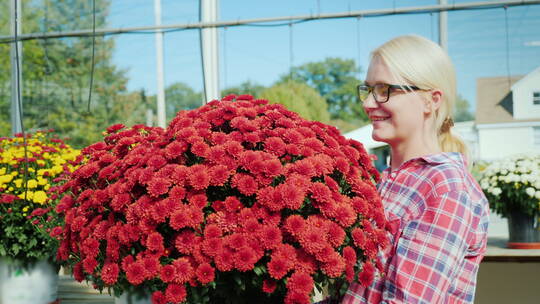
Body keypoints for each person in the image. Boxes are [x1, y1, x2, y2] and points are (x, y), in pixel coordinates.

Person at [341, 35, 490, 303]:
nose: (368, 103)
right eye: (368, 89)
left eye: (385, 89)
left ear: (430, 101)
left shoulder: (446, 189)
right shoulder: (385, 180)